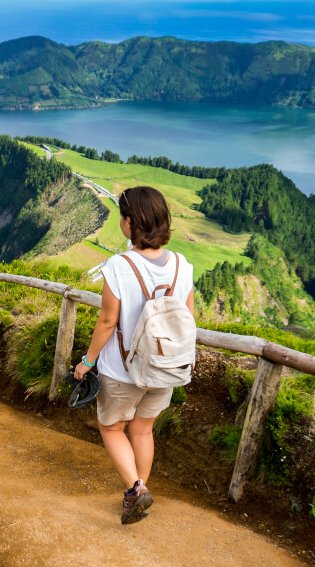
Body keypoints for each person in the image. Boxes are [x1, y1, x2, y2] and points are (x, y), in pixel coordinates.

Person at [74, 186, 194, 525]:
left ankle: (136, 490)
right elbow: (188, 320)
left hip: (122, 370)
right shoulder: (182, 266)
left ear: (130, 222)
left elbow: (108, 321)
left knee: (112, 428)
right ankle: (139, 490)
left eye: (121, 218)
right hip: (166, 368)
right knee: (143, 430)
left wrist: (87, 362)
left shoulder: (118, 266)